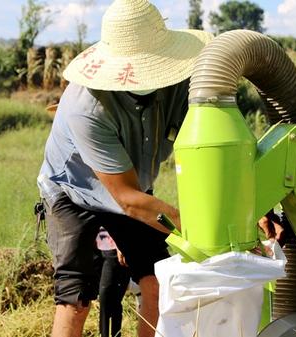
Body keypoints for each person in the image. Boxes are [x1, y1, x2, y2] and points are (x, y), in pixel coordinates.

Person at [36, 1, 211, 336]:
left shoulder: (179, 80)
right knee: (76, 298)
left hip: (132, 184)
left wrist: (247, 207)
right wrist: (201, 229)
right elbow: (128, 200)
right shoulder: (86, 107)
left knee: (159, 277)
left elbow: (210, 148)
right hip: (72, 190)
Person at [94, 227, 130, 337]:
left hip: (114, 249)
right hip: (95, 247)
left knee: (111, 299)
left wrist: (121, 244)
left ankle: (113, 334)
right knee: (105, 298)